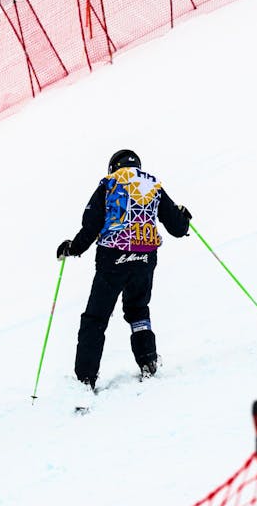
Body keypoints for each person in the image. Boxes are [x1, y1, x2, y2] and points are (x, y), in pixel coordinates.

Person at [56, 149, 191, 388]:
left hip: (113, 259)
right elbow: (177, 228)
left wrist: (73, 248)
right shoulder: (152, 185)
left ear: (113, 167)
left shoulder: (110, 183)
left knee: (95, 317)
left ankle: (85, 379)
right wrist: (184, 217)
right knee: (138, 309)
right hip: (145, 259)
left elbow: (92, 224)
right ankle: (148, 361)